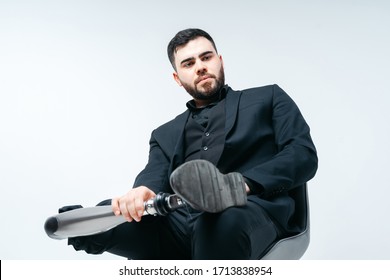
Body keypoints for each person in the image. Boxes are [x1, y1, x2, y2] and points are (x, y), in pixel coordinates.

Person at [66, 28, 318, 259]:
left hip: (250, 213)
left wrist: (241, 184)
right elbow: (154, 174)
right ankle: (79, 226)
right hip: (181, 223)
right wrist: (141, 192)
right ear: (177, 77)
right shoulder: (164, 133)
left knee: (220, 219)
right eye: (189, 63)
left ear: (220, 61)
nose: (200, 67)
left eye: (206, 58)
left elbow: (302, 155)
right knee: (110, 216)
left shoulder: (269, 97)